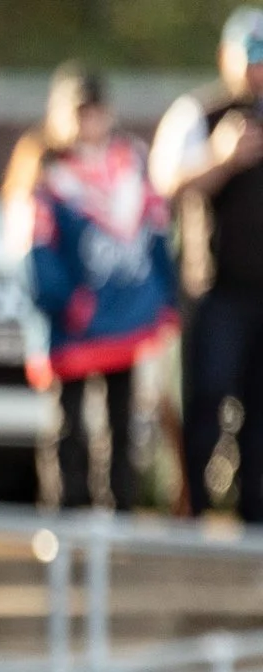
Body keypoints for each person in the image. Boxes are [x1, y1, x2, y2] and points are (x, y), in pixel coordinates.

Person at [7, 68, 175, 513]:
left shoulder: (130, 162)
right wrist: (64, 299)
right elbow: (34, 248)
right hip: (72, 322)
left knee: (123, 420)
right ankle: (67, 509)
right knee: (69, 422)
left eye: (97, 111)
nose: (90, 121)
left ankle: (121, 507)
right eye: (81, 111)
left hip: (125, 313)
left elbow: (155, 229)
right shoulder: (44, 171)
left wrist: (164, 298)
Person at [152, 9, 263, 525]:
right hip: (215, 290)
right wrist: (222, 159)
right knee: (207, 403)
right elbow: (163, 186)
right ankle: (192, 513)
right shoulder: (199, 113)